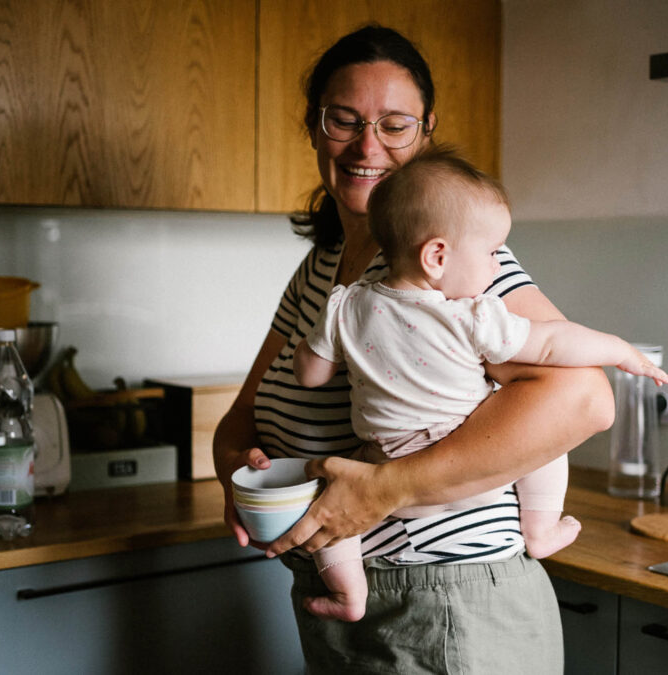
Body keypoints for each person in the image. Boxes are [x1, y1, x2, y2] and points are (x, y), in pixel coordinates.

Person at [213, 24, 615, 673]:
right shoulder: (322, 268)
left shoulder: (451, 266)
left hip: (448, 611)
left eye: (394, 124)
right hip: (346, 598)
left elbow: (585, 397)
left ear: (426, 134)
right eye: (344, 119)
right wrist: (236, 466)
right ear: (315, 128)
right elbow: (244, 412)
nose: (366, 144)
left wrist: (386, 488)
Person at [291, 146, 668, 622]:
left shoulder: (346, 306)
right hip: (465, 475)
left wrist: (319, 342)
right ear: (436, 256)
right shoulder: (470, 316)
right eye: (492, 253)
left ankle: (349, 593)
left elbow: (309, 375)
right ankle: (541, 529)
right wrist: (620, 350)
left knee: (328, 494)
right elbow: (552, 346)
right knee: (548, 448)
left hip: (383, 464)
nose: (497, 267)